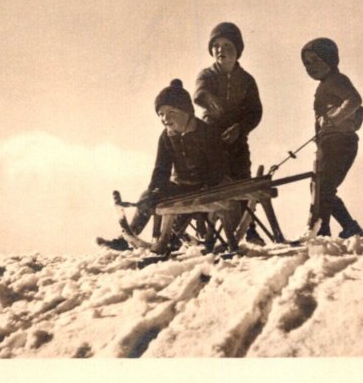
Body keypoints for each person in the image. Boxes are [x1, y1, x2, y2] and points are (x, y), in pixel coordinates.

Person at [97, 79, 234, 255]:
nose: (165, 118)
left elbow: (218, 164)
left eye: (171, 112)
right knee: (147, 196)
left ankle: (173, 237)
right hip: (180, 185)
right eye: (160, 114)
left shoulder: (205, 132)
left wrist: (209, 185)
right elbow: (161, 169)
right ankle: (127, 238)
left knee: (185, 205)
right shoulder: (166, 137)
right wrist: (155, 190)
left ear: (186, 111)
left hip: (206, 186)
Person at [194, 22, 266, 246]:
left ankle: (250, 228)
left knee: (242, 178)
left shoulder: (246, 80)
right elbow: (199, 93)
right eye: (215, 45)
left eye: (226, 45)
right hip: (211, 138)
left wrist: (240, 128)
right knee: (211, 181)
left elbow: (255, 112)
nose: (220, 49)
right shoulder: (207, 74)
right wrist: (209, 99)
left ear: (237, 50)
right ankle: (205, 229)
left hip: (236, 139)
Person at [301, 37, 363, 239]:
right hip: (328, 144)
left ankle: (322, 230)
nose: (311, 67)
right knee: (320, 186)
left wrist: (335, 118)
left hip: (341, 142)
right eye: (307, 63)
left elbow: (354, 100)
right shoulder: (325, 85)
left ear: (330, 59)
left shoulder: (337, 81)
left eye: (316, 60)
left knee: (324, 187)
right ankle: (343, 227)